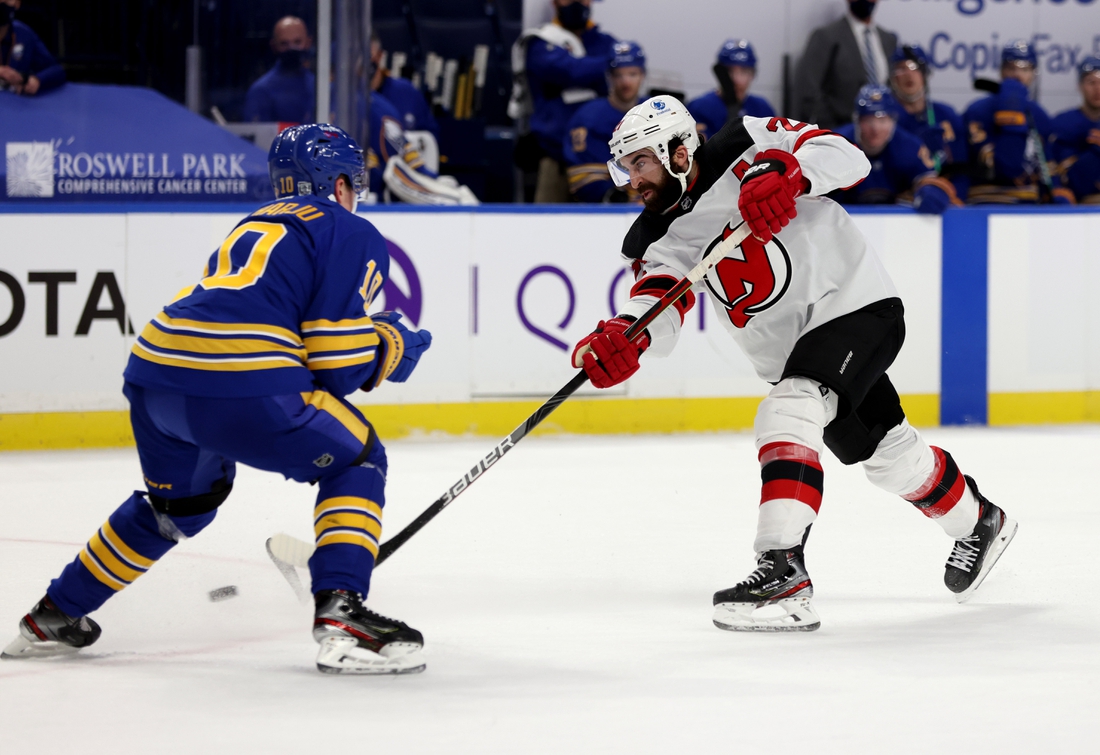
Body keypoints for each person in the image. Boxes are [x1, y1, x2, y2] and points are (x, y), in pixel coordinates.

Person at [1, 124, 435, 675]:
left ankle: (55, 615)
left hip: (154, 374)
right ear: (341, 181)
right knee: (358, 457)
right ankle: (342, 612)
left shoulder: (255, 222)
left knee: (178, 508)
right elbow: (338, 364)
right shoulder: (348, 228)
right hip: (238, 378)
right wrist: (392, 345)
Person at [572, 95, 1017, 631]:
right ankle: (981, 521)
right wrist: (627, 337)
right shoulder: (653, 236)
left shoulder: (748, 140)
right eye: (625, 167)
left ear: (679, 150)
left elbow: (849, 157)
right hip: (794, 352)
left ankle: (783, 570)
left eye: (639, 161)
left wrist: (790, 170)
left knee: (788, 410)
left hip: (852, 302)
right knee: (887, 456)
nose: (632, 179)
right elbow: (659, 301)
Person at [508, 0, 618, 203]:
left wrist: (602, 67)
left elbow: (618, 83)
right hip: (554, 159)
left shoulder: (605, 43)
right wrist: (607, 65)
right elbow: (568, 71)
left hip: (600, 161)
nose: (576, 3)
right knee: (545, 226)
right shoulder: (540, 41)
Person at [963, 39, 1074, 205]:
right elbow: (1005, 168)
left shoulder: (1039, 114)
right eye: (1011, 68)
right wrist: (1011, 114)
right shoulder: (978, 111)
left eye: (1025, 69)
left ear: (1034, 73)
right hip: (985, 201)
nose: (1017, 75)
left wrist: (1056, 191)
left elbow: (1046, 165)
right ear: (1001, 71)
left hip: (1028, 204)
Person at [833, 84, 952, 212]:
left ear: (893, 121)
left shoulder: (910, 146)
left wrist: (930, 190)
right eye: (868, 121)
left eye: (882, 121)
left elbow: (928, 180)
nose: (876, 129)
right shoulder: (835, 145)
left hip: (896, 222)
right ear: (857, 121)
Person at [792, 0, 897, 130]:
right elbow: (808, 90)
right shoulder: (826, 37)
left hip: (882, 135)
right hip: (840, 131)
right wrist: (835, 132)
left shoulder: (889, 40)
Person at [562, 41, 646, 203]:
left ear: (643, 75)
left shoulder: (659, 112)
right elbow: (585, 179)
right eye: (619, 75)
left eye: (632, 74)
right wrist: (611, 194)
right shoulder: (588, 118)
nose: (626, 82)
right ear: (609, 77)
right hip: (610, 212)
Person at [688, 39, 775, 141]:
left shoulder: (763, 109)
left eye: (744, 71)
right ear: (720, 73)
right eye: (730, 71)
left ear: (752, 74)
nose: (737, 80)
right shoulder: (699, 107)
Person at [243, 16, 315, 123]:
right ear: (274, 46)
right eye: (284, 44)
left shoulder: (321, 88)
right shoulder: (261, 91)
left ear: (308, 42)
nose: (291, 49)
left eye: (297, 42)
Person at [370, 31, 439, 142]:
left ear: (379, 55)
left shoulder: (407, 92)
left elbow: (431, 139)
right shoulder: (341, 96)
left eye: (367, 55)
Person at [1051, 56, 1100, 204]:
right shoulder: (1064, 124)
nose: (1097, 89)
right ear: (1080, 85)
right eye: (1091, 82)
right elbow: (1072, 181)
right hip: (1081, 206)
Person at [0, 0, 65, 96]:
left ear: (17, 3)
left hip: (15, 106)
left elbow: (56, 70)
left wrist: (37, 80)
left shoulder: (24, 34)